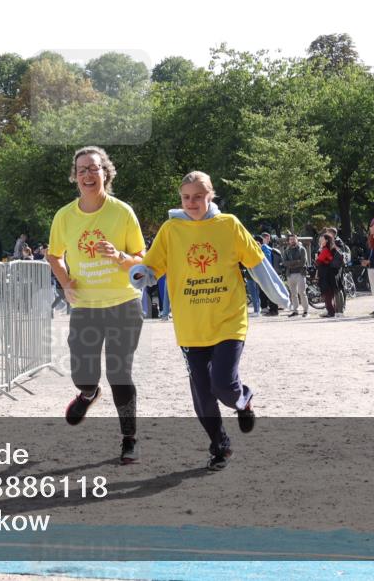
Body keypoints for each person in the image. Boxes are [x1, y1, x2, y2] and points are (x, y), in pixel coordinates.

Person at [130, 172, 289, 470]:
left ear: (210, 196)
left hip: (229, 321)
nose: (191, 202)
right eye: (186, 197)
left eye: (198, 197)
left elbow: (257, 263)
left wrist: (279, 296)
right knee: (203, 394)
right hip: (191, 327)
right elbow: (151, 268)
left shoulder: (229, 225)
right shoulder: (171, 229)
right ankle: (220, 446)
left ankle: (242, 399)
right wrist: (139, 274)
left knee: (224, 386)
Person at [46, 146, 145, 465]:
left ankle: (129, 439)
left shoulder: (122, 212)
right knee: (82, 373)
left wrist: (119, 256)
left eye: (94, 168)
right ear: (75, 177)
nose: (87, 174)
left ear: (106, 173)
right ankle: (88, 393)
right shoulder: (64, 216)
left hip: (123, 304)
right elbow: (54, 255)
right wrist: (65, 282)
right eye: (82, 170)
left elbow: (141, 259)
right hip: (85, 306)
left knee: (119, 373)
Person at [282, 234, 309, 317]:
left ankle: (306, 311)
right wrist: (296, 262)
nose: (292, 241)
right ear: (289, 241)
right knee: (293, 294)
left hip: (300, 273)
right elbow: (285, 263)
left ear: (297, 240)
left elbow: (303, 262)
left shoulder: (302, 249)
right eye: (291, 239)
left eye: (294, 239)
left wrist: (291, 264)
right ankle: (295, 311)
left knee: (302, 293)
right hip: (290, 274)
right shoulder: (286, 250)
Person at [316, 234, 339, 318]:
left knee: (327, 294)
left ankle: (331, 311)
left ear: (326, 240)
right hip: (330, 274)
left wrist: (318, 255)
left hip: (326, 274)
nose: (320, 241)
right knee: (330, 294)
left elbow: (318, 261)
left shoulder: (325, 249)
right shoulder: (331, 248)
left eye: (322, 240)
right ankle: (331, 311)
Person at [258, 233, 281, 316]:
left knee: (271, 292)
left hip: (268, 273)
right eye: (267, 239)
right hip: (270, 273)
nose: (269, 240)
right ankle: (273, 310)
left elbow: (267, 261)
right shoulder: (268, 248)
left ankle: (274, 311)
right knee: (270, 291)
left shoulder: (265, 248)